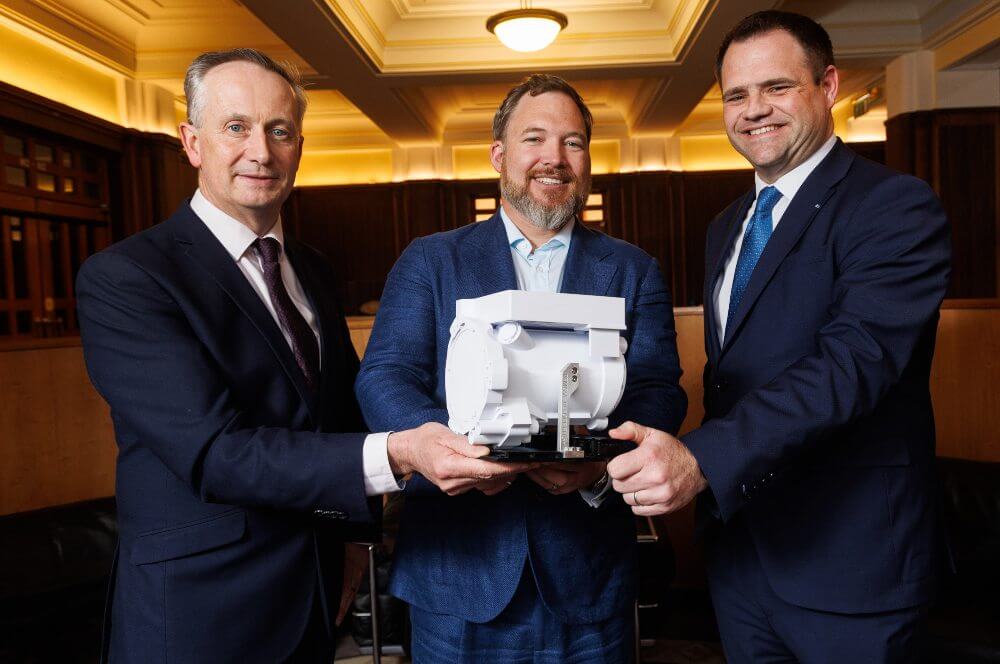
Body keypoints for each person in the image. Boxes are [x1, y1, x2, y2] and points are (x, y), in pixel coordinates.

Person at [76, 48, 528, 663]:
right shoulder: (127, 277)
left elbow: (333, 415)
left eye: (279, 130)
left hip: (312, 599)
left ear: (299, 146)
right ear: (191, 141)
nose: (260, 151)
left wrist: (349, 542)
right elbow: (215, 452)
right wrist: (399, 452)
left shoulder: (310, 269)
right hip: (196, 614)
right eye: (236, 127)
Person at [606, 10, 951, 663]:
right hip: (741, 554)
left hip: (851, 562)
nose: (753, 110)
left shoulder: (894, 206)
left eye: (776, 88)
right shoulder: (726, 224)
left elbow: (853, 364)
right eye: (736, 95)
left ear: (827, 85)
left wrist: (700, 459)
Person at [356, 74, 687, 662]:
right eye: (534, 138)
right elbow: (384, 376)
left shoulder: (633, 269)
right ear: (499, 154)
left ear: (588, 157)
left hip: (588, 575)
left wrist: (601, 463)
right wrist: (448, 451)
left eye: (573, 142)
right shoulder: (431, 259)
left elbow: (659, 389)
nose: (554, 159)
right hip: (456, 570)